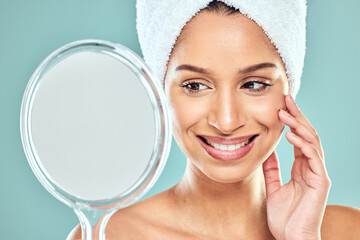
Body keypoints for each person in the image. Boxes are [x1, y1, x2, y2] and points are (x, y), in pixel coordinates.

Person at [69, 1, 360, 239]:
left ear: (289, 87)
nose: (226, 121)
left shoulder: (349, 231)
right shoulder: (106, 236)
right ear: (160, 91)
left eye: (254, 84)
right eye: (195, 86)